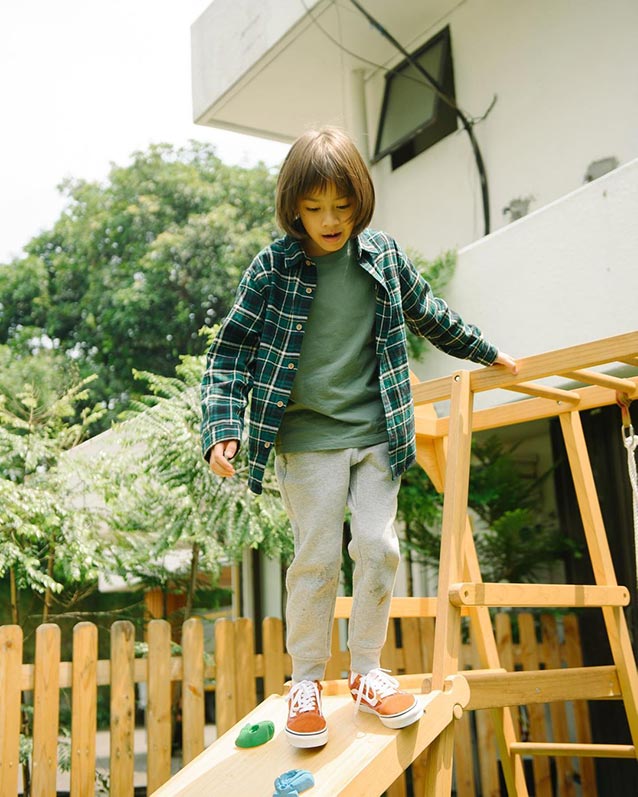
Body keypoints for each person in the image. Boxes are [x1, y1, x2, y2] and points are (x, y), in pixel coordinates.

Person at [201, 126, 517, 749]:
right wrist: (222, 428)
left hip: (377, 431)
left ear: (361, 202)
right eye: (315, 208)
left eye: (342, 207)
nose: (329, 220)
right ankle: (307, 683)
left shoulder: (383, 257)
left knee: (379, 546)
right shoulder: (273, 267)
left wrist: (487, 352)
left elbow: (431, 313)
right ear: (293, 206)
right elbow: (229, 354)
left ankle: (369, 671)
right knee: (316, 560)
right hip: (306, 439)